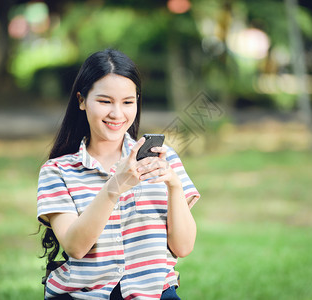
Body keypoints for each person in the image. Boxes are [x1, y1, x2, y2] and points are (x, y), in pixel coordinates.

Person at [37, 49, 200, 299]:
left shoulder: (163, 158)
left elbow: (183, 247)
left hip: (154, 294)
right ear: (81, 101)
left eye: (127, 102)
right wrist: (114, 187)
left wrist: (175, 187)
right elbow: (75, 247)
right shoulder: (57, 171)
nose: (117, 114)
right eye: (105, 101)